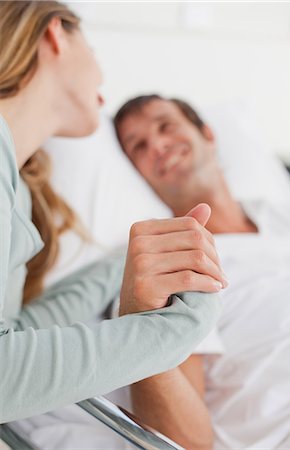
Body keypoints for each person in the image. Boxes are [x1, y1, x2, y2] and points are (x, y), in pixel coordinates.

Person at [0, 4, 227, 425]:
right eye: (94, 47)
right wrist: (180, 323)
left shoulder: (18, 194)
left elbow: (16, 336)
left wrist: (123, 264)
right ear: (56, 36)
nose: (104, 79)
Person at [114, 95, 290, 449]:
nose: (157, 145)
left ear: (208, 134)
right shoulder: (169, 262)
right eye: (138, 146)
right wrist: (142, 320)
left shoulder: (284, 215)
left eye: (166, 126)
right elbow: (185, 441)